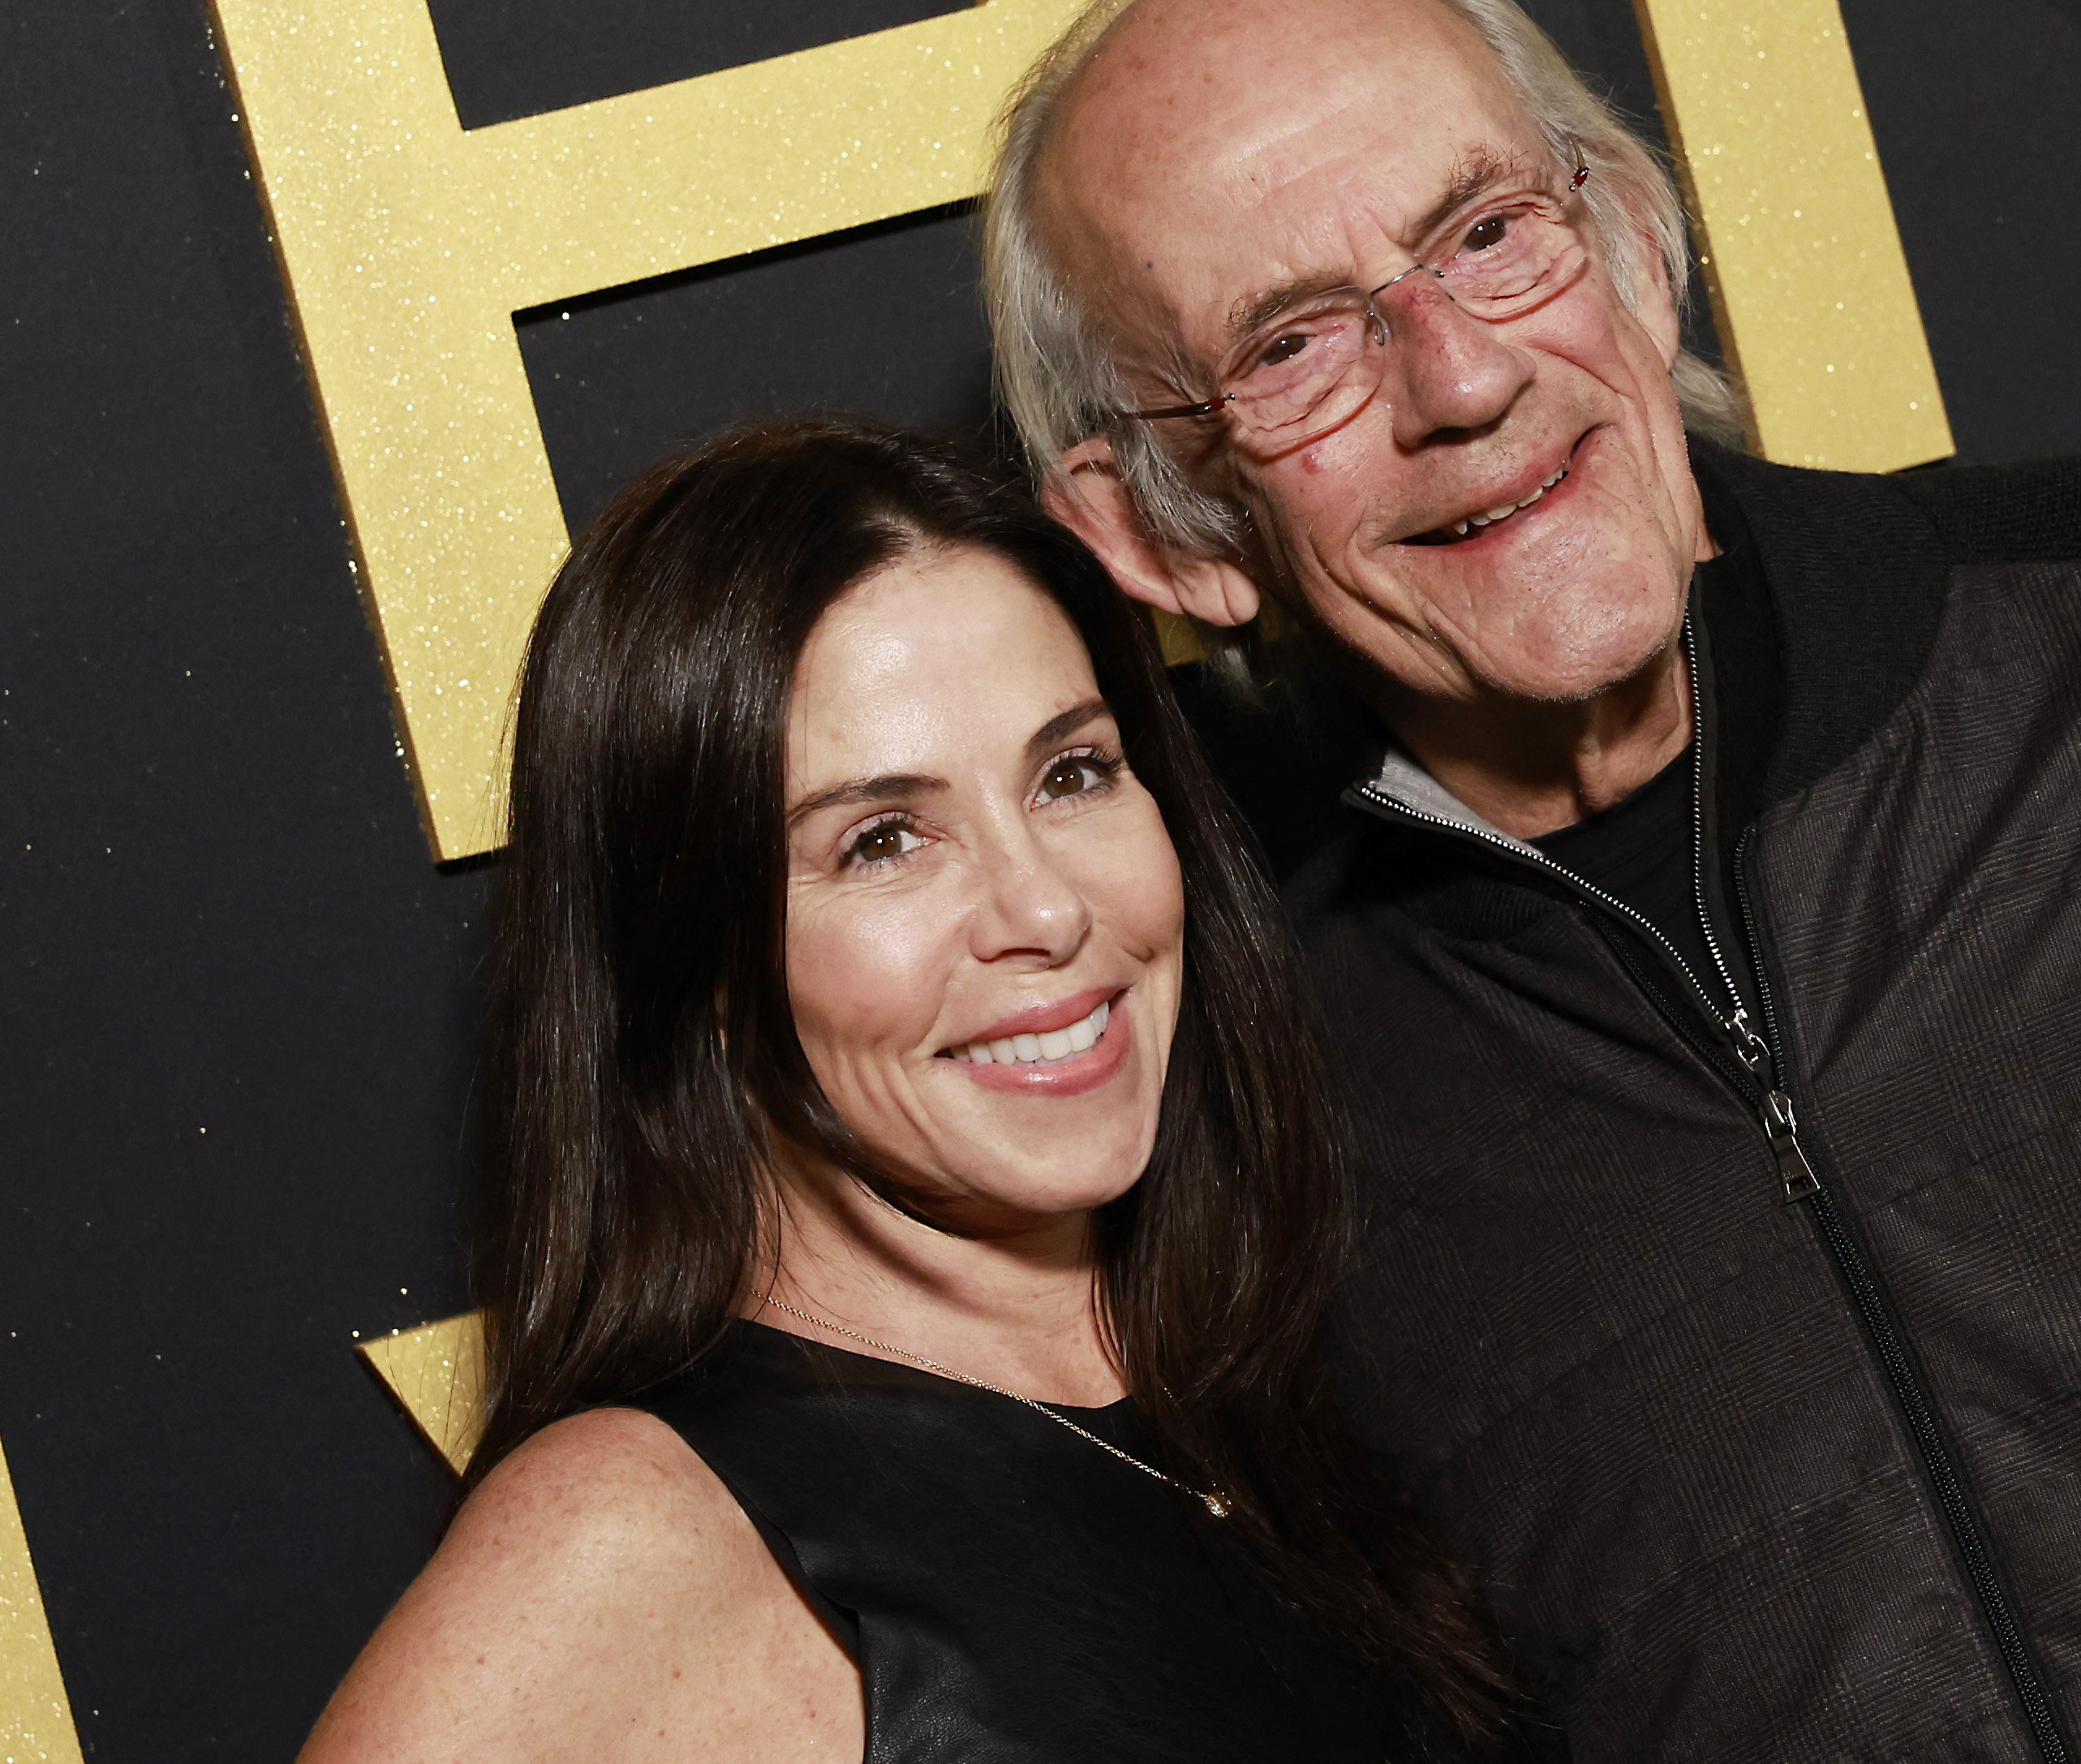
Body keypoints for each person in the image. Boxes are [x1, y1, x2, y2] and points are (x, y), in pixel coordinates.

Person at [982, 0, 2081, 1759]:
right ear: (1160, 531)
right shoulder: (1212, 1061)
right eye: (1291, 345)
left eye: (1486, 234)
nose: (1459, 381)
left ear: (1637, 247)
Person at [299, 419, 1531, 1761]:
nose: (1045, 907)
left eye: (1072, 773)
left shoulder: (1282, 1367)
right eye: (884, 841)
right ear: (696, 959)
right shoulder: (636, 1537)